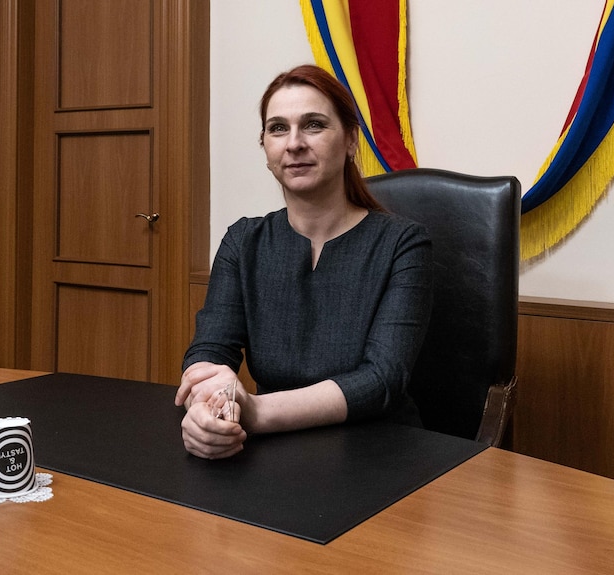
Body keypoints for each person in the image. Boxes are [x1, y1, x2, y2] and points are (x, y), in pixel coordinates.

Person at [175, 64, 433, 459]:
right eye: (278, 128)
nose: (293, 143)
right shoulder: (243, 241)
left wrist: (257, 411)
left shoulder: (404, 244)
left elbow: (381, 379)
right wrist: (206, 408)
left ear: (350, 141)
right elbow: (210, 349)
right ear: (265, 148)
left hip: (379, 452)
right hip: (269, 452)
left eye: (313, 125)